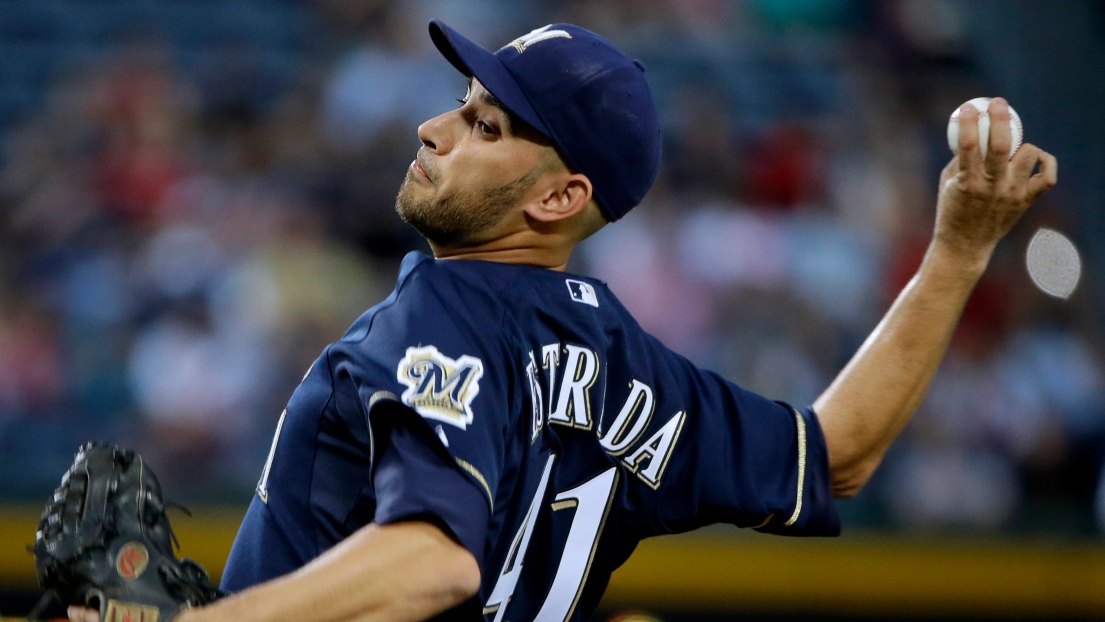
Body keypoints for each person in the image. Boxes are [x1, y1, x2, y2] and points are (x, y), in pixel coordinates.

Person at [70, 18, 1056, 622]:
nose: (435, 128)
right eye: (463, 104)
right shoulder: (626, 360)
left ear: (556, 199)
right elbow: (836, 451)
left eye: (484, 126)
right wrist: (959, 249)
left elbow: (432, 561)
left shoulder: (441, 310)